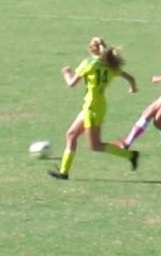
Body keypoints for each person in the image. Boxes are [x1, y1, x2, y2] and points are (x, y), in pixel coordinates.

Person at [48, 37, 141, 180]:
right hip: (96, 105)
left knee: (95, 145)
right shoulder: (110, 64)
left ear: (91, 49)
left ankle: (130, 155)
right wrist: (132, 88)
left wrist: (66, 73)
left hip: (92, 108)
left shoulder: (89, 63)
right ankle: (63, 172)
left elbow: (71, 83)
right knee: (71, 134)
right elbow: (131, 78)